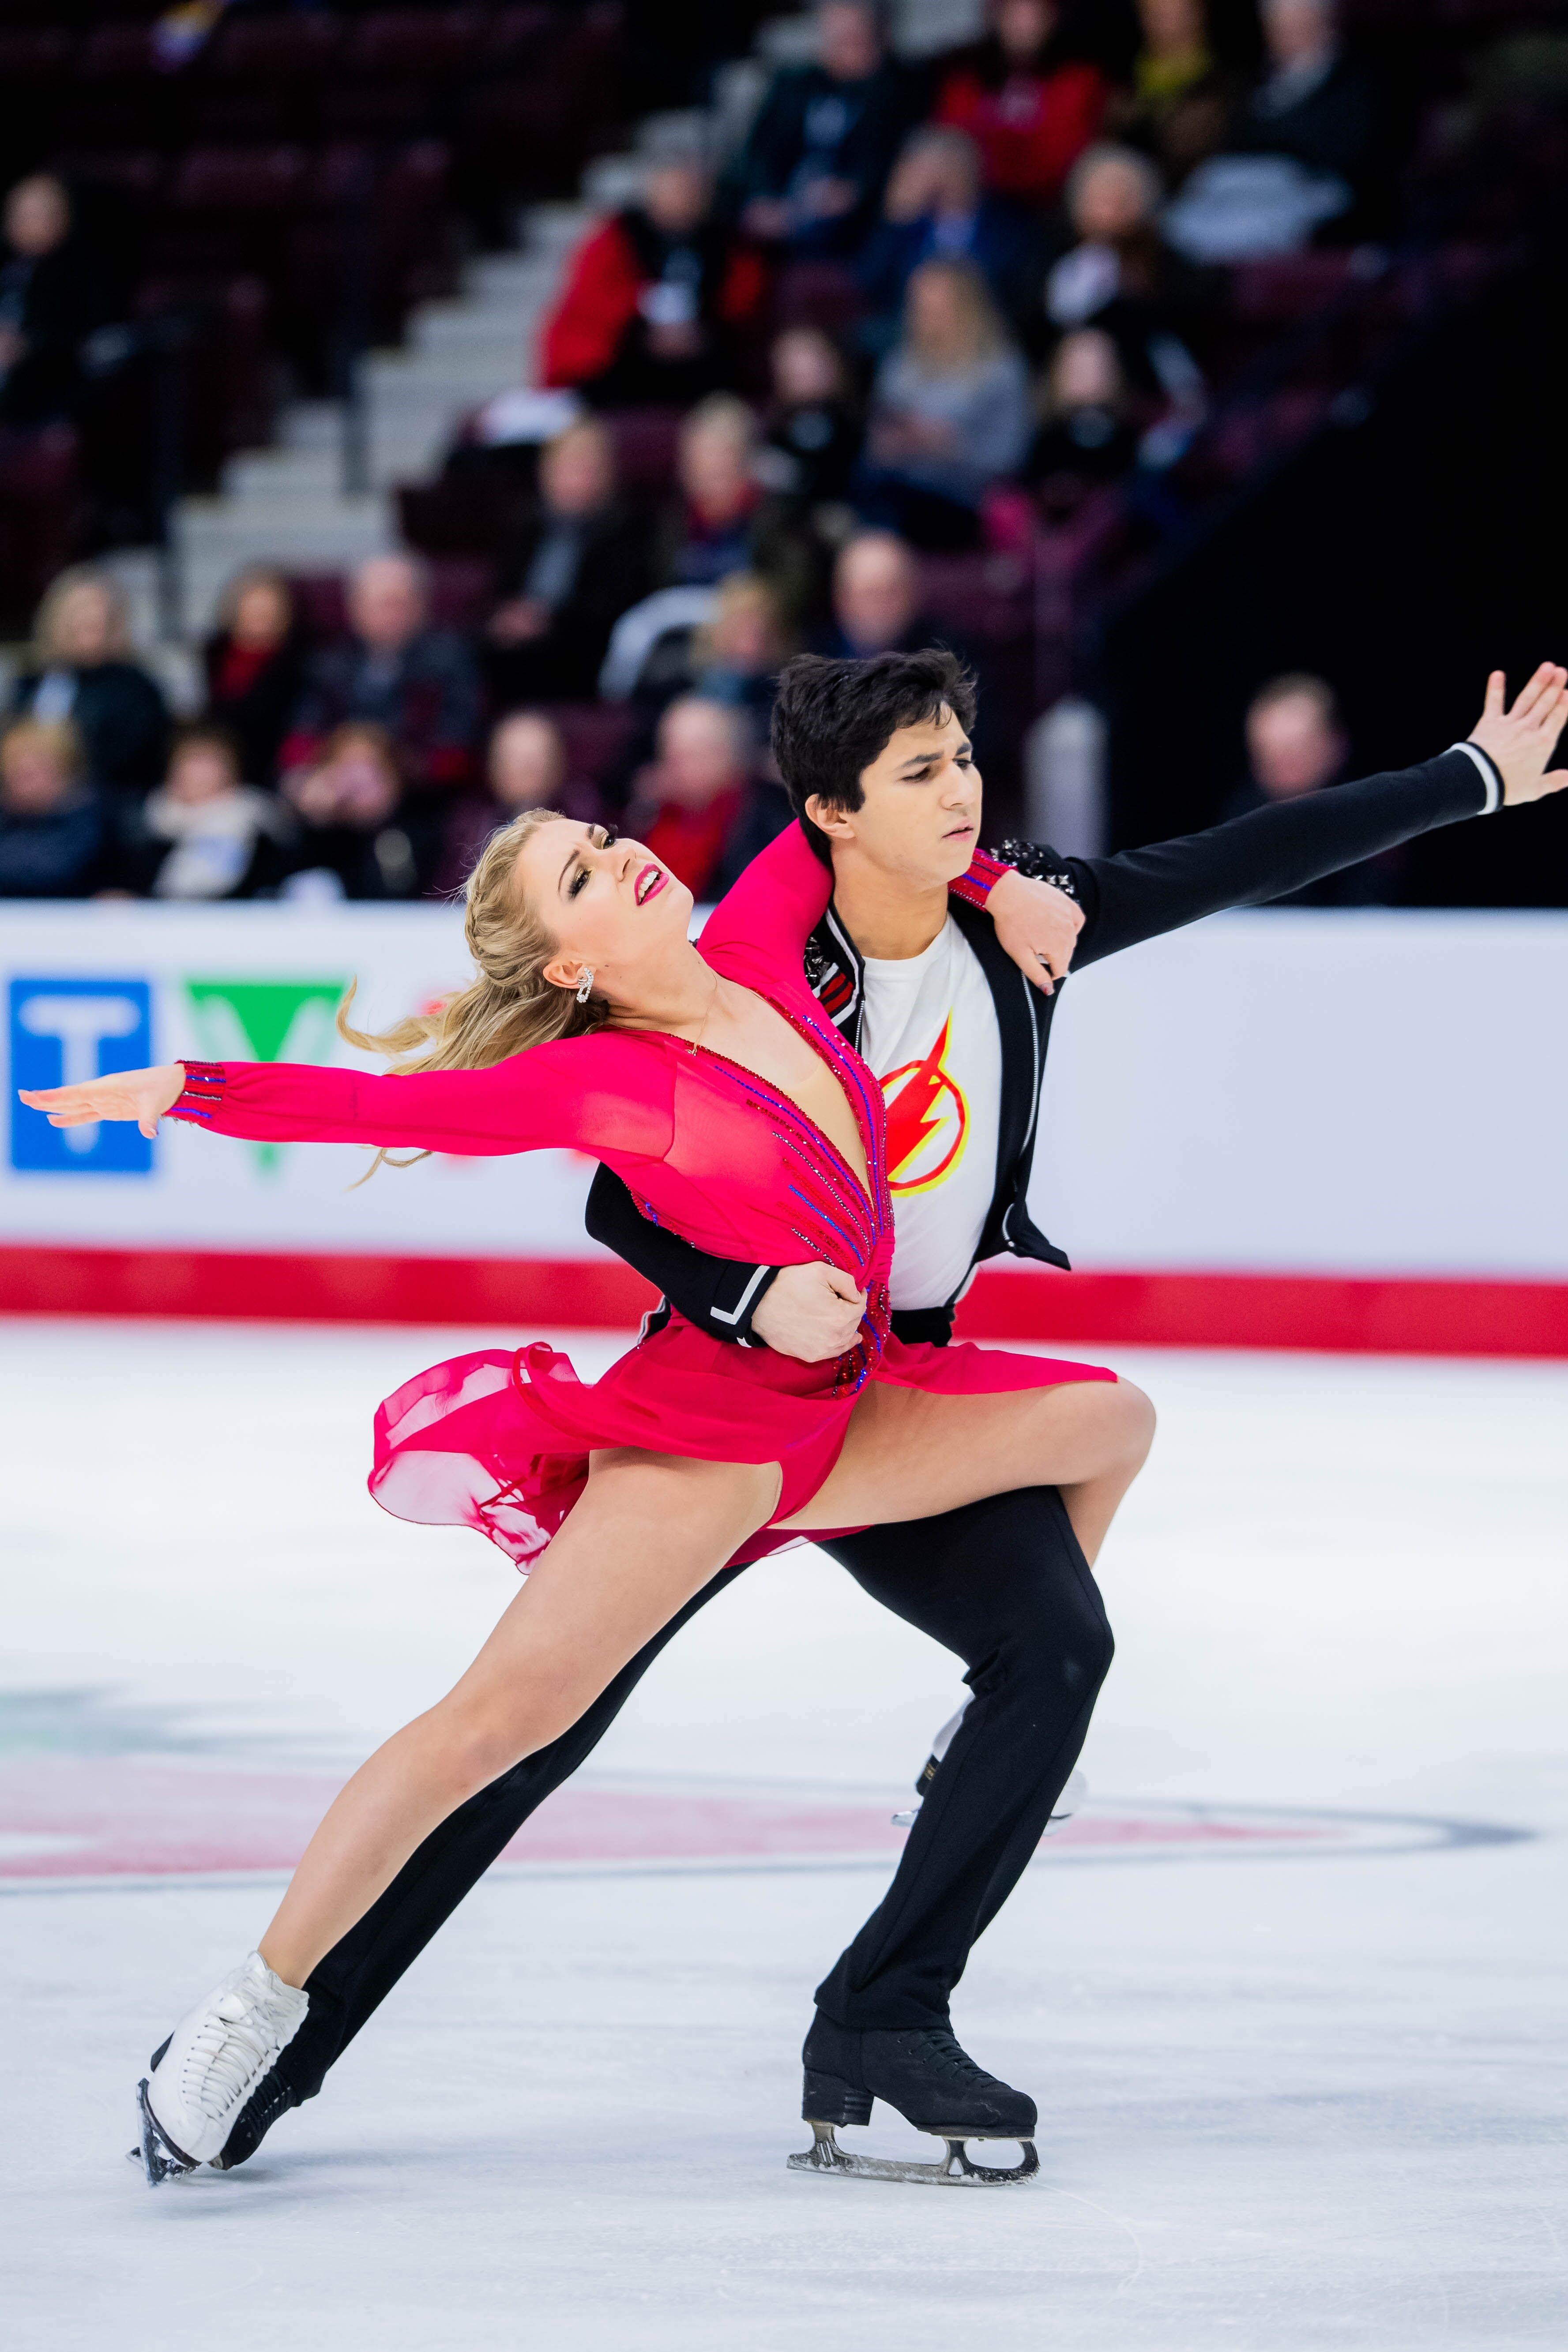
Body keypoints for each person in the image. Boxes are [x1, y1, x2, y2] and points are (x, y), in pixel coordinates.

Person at [43, 653, 1567, 2189]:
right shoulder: (656, 1039)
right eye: (581, 870)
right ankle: (253, 2030)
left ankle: (889, 2004)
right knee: (509, 1733)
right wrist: (185, 1083)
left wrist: (1030, 878)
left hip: (859, 1405)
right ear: (570, 958)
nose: (618, 850)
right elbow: (411, 1116)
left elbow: (1050, 829)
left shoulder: (810, 936)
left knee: (1105, 1449)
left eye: (597, 833)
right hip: (706, 1423)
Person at [538, 150, 766, 410]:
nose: (683, 199)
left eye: (691, 191)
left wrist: (701, 329)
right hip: (627, 354)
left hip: (704, 352)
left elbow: (743, 298)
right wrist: (643, 328)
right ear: (653, 193)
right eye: (674, 190)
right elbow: (593, 301)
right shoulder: (618, 238)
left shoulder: (725, 241)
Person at [857, 260, 1031, 548]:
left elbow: (1011, 459)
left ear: (966, 311)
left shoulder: (1002, 370)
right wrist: (891, 444)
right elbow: (874, 449)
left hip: (964, 499)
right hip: (898, 489)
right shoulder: (899, 366)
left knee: (885, 506)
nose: (924, 318)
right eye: (919, 308)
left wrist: (948, 446)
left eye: (937, 310)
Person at [282, 554, 481, 803]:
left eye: (397, 603)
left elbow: (457, 749)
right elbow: (302, 734)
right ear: (355, 608)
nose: (388, 616)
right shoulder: (329, 661)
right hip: (332, 791)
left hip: (417, 799)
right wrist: (311, 778)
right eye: (377, 604)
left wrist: (387, 765)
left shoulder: (451, 660)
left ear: (421, 606)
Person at [727, 0, 915, 260]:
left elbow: (893, 161)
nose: (843, 52)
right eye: (837, 40)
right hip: (783, 212)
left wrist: (855, 193)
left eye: (856, 41)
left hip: (856, 228)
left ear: (881, 39)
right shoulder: (791, 85)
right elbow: (758, 154)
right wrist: (763, 199)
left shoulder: (900, 91)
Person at [486, 419, 654, 706]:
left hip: (581, 644)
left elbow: (614, 604)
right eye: (567, 468)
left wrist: (546, 622)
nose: (578, 479)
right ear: (546, 474)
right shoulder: (526, 525)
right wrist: (505, 618)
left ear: (607, 475)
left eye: (587, 470)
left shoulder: (627, 528)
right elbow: (499, 588)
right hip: (520, 643)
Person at [1042, 143, 1212, 409]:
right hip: (1067, 376)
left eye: (1123, 197)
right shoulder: (1056, 252)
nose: (1112, 208)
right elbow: (1046, 320)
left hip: (1148, 369)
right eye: (1101, 197)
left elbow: (1190, 314)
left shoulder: (1162, 256)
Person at [856, 127, 1042, 354]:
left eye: (928, 169)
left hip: (987, 334)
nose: (920, 179)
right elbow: (869, 284)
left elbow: (1017, 293)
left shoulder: (1007, 226)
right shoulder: (909, 227)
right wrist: (895, 222)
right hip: (911, 335)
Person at [1225, 672, 1387, 905]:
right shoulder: (1238, 823)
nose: (1281, 768)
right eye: (1268, 755)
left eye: (1295, 753)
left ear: (1336, 745)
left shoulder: (1376, 816)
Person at [8, 567, 170, 799]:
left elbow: (135, 761)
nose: (92, 619)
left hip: (101, 807)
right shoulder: (32, 682)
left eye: (101, 613)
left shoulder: (135, 689)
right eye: (81, 611)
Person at [933, 0, 1107, 208]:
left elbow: (1069, 148)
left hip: (1055, 204)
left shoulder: (1080, 77)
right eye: (1014, 14)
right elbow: (956, 141)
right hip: (978, 202)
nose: (1024, 25)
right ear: (996, 17)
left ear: (1052, 18)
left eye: (1035, 15)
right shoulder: (965, 78)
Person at [658, 395, 816, 616]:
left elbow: (793, 593)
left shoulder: (779, 520)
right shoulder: (673, 524)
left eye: (723, 460)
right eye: (702, 462)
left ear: (746, 463)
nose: (712, 472)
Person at [624, 694, 788, 902]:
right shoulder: (655, 816)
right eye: (669, 756)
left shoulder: (767, 824)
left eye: (690, 756)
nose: (674, 768)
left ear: (728, 758)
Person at [436, 710, 601, 899]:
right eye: (514, 758)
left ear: (558, 764)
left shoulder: (583, 820)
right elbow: (448, 897)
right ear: (492, 767)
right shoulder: (471, 822)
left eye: (536, 757)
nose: (526, 769)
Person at [129, 725, 295, 902]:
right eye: (192, 764)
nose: (200, 776)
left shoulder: (259, 827)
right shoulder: (146, 825)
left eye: (210, 765)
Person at [0, 174, 101, 429]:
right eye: (17, 214)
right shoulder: (8, 267)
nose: (22, 223)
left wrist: (24, 346)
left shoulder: (76, 273)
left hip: (39, 388)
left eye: (34, 215)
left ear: (63, 219)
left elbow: (80, 335)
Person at [281, 723, 422, 900]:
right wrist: (311, 818)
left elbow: (398, 889)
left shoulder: (412, 831)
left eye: (370, 772)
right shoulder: (305, 833)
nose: (355, 784)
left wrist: (375, 820)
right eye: (346, 769)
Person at [202, 567, 308, 791]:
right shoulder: (212, 656)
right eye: (253, 612)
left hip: (267, 770)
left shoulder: (297, 665)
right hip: (213, 760)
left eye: (268, 614)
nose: (260, 621)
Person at [1027, 327, 1140, 518]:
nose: (1089, 376)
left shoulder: (1132, 426)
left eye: (1097, 367)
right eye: (1078, 369)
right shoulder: (1047, 444)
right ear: (1058, 374)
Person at [757, 326, 864, 513]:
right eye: (791, 370)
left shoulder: (848, 422)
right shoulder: (777, 422)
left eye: (808, 367)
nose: (801, 377)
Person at [0, 715, 108, 896]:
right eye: (15, 772)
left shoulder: (91, 823)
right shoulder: (6, 818)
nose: (21, 783)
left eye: (32, 773)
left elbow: (56, 872)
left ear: (65, 773)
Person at [816, 528, 932, 658]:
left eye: (892, 593)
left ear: (912, 595)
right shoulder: (813, 655)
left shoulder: (940, 657)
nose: (882, 605)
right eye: (870, 594)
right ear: (842, 599)